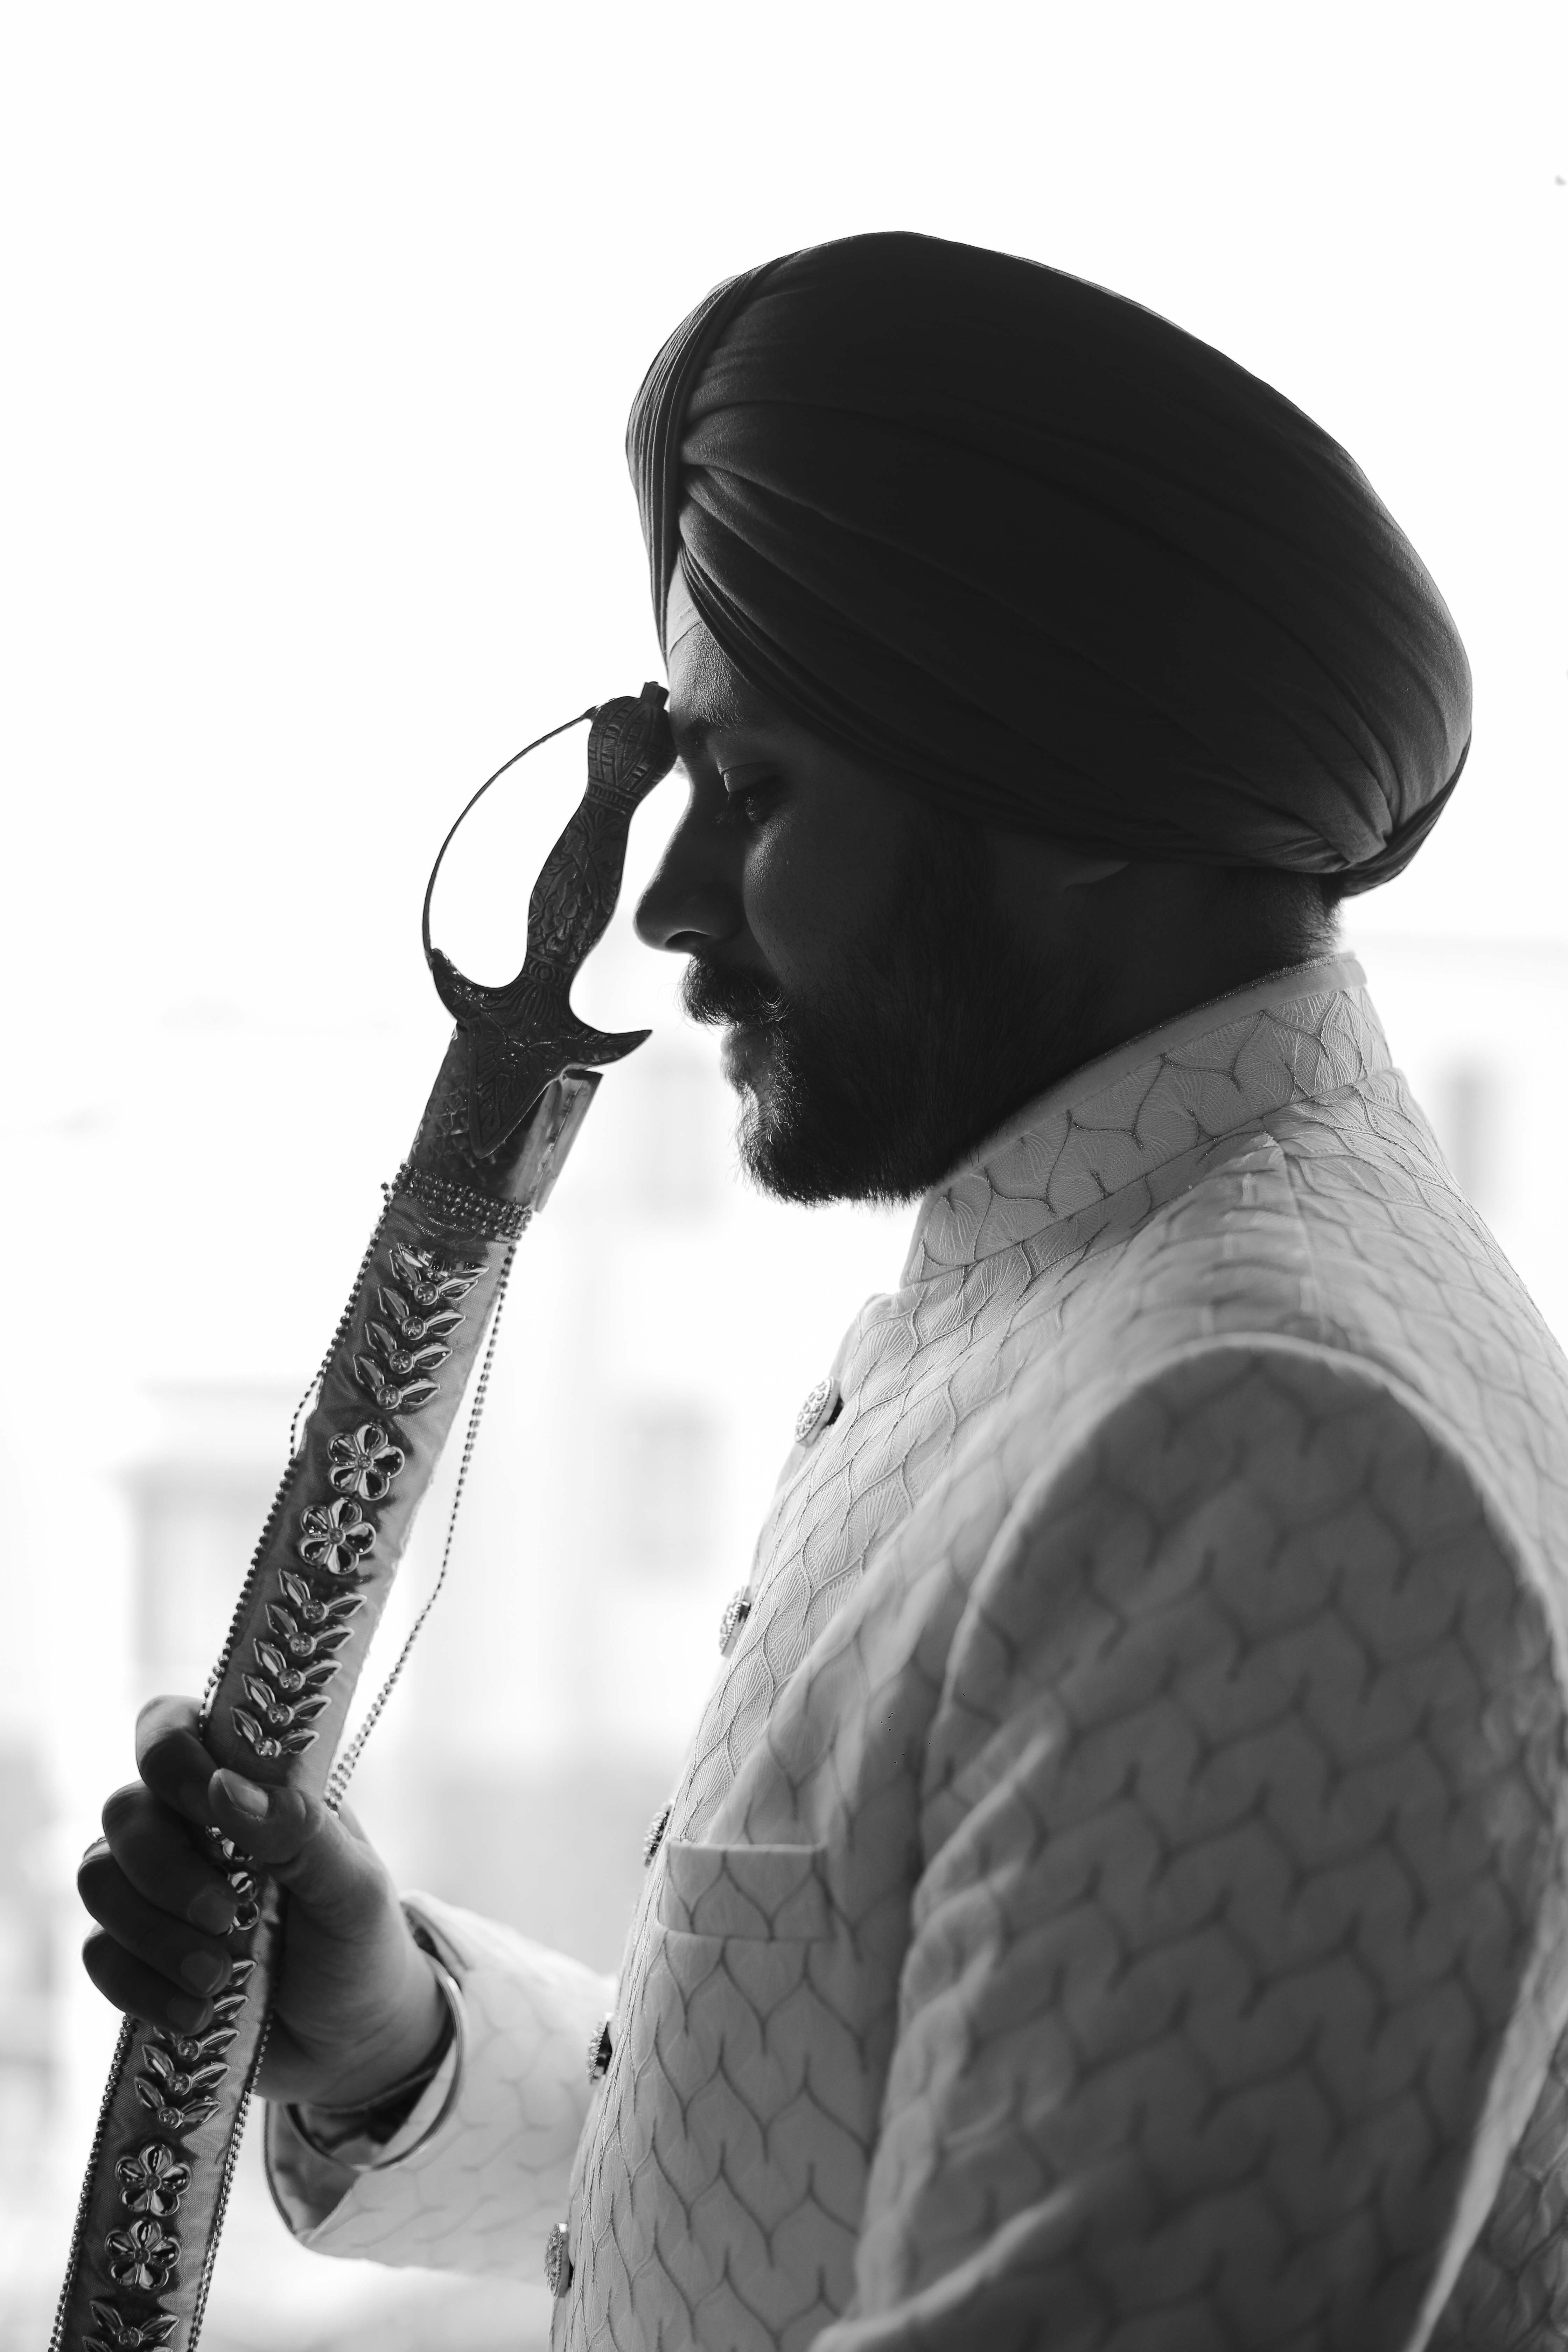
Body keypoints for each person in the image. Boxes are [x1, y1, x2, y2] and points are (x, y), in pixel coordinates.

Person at [79, 234, 1568, 2350]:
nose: (674, 899)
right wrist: (394, 2041)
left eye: (757, 792)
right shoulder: (1070, 1316)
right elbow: (823, 2165)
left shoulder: (1262, 1444)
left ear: (1078, 800)